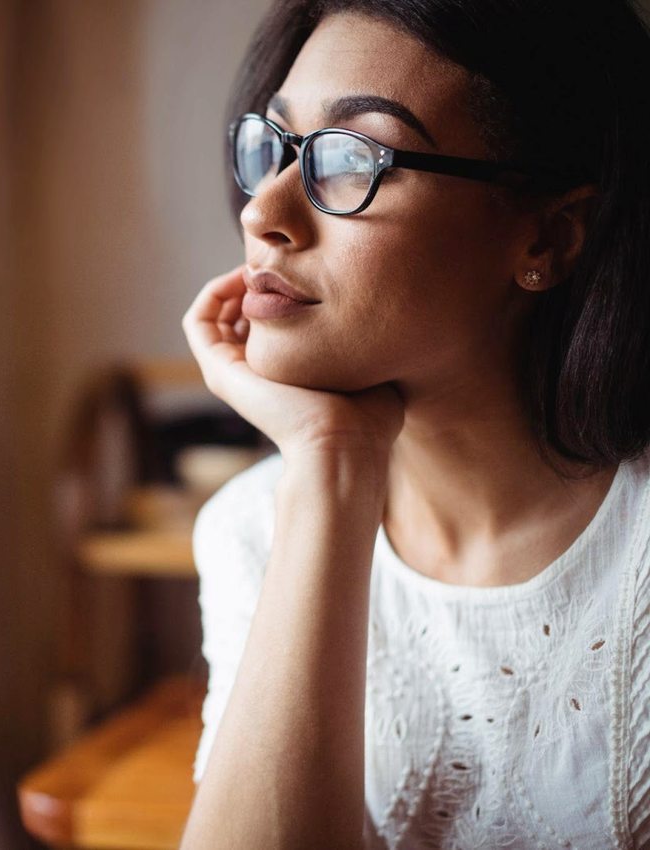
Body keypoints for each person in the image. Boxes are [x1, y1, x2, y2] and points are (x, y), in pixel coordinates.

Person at [178, 0, 650, 847]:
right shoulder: (249, 533)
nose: (264, 214)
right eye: (274, 147)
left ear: (548, 234)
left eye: (353, 157)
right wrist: (329, 465)